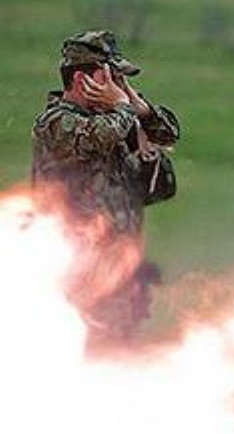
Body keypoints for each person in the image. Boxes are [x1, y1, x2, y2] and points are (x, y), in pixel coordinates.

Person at [31, 29, 181, 346]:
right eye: (111, 77)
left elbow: (167, 142)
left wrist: (140, 111)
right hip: (80, 280)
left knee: (121, 362)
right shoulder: (57, 123)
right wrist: (123, 108)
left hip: (121, 278)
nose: (119, 86)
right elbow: (99, 136)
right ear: (82, 79)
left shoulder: (116, 122)